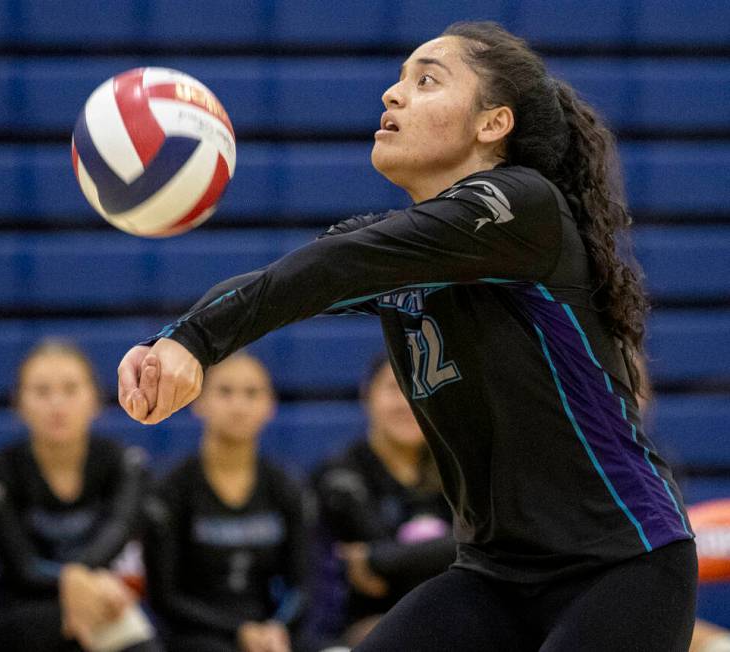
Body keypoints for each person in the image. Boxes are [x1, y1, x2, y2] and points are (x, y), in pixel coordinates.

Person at [117, 20, 697, 652]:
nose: (393, 96)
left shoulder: (522, 204)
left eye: (426, 81)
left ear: (492, 123)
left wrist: (197, 341)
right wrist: (172, 342)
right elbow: (289, 281)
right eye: (397, 81)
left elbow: (334, 265)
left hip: (623, 562)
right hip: (496, 574)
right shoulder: (406, 249)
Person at [0, 340, 159, 652]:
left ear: (95, 400)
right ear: (18, 403)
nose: (57, 404)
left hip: (101, 600)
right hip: (22, 610)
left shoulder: (125, 463)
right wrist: (73, 582)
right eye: (42, 392)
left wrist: (78, 581)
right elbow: (22, 566)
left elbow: (117, 532)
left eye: (70, 389)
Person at [142, 352, 308, 652]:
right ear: (198, 402)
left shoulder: (286, 487)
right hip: (192, 638)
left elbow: (302, 587)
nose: (239, 405)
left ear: (270, 406)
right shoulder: (172, 490)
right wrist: (238, 632)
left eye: (251, 393)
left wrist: (276, 629)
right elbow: (164, 598)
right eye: (225, 391)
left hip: (269, 637)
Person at [312, 356, 456, 646]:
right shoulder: (339, 475)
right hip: (359, 632)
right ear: (367, 394)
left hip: (449, 624)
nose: (406, 403)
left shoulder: (457, 472)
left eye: (417, 390)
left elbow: (476, 548)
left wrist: (381, 558)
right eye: (394, 388)